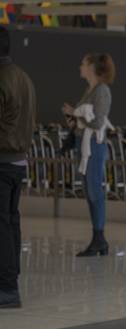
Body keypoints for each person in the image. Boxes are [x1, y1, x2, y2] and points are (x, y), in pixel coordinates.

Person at [62, 53, 115, 257]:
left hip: (93, 146)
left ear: (92, 67)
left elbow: (98, 122)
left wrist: (77, 114)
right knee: (89, 192)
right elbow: (84, 118)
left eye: (83, 64)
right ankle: (97, 238)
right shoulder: (90, 90)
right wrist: (74, 118)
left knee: (95, 193)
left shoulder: (102, 91)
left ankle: (100, 238)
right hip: (83, 143)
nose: (80, 67)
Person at [0, 26, 36, 309]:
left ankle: (7, 288)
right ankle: (11, 280)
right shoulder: (24, 77)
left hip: (1, 162)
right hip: (18, 161)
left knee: (2, 224)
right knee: (10, 221)